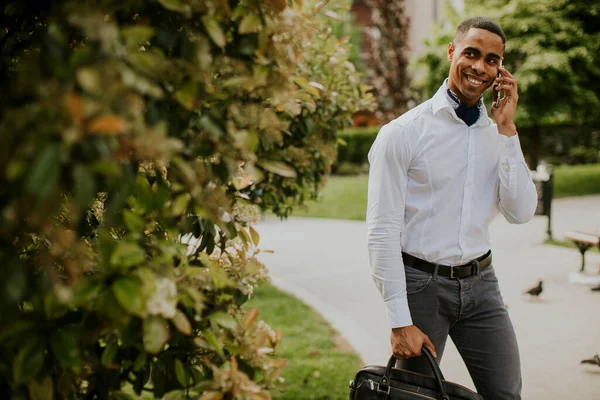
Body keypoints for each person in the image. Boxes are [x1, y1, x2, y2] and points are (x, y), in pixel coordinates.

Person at [366, 16, 538, 399]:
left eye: (492, 60)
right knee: (412, 397)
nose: (480, 67)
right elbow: (381, 231)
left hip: (482, 288)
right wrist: (399, 321)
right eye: (472, 53)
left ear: (500, 69)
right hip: (422, 287)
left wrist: (508, 131)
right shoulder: (402, 134)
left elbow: (522, 211)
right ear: (452, 51)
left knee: (506, 394)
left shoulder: (498, 134)